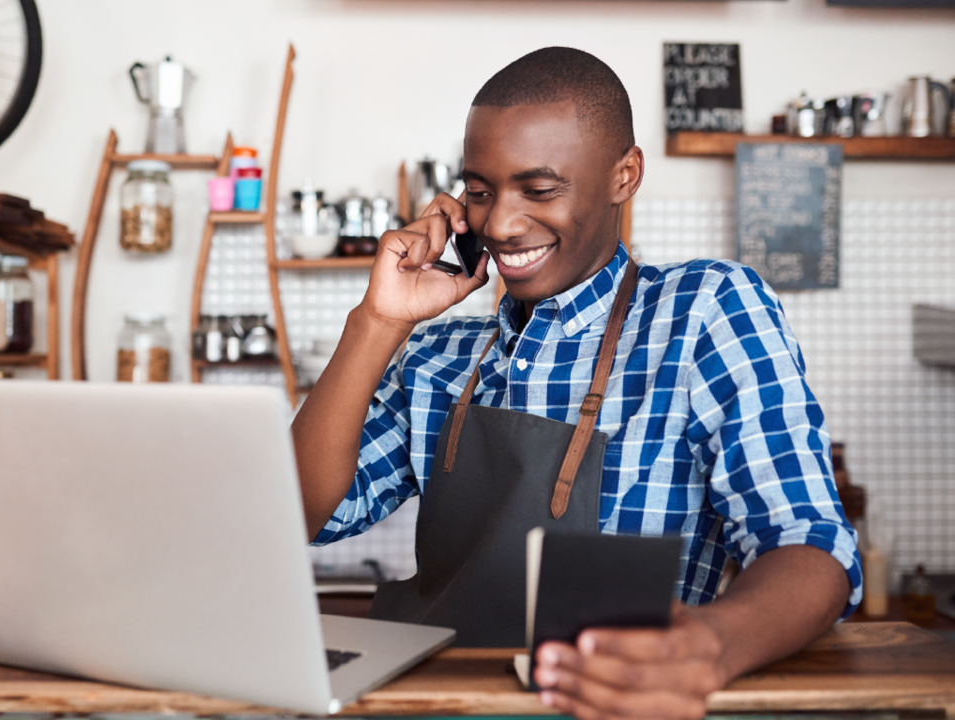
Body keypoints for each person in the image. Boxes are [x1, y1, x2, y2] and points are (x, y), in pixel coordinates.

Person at [292, 47, 861, 720]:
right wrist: (376, 321)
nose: (500, 224)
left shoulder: (704, 312)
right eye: (478, 191)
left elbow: (811, 545)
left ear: (625, 175)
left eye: (538, 190)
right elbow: (306, 512)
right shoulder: (439, 358)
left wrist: (710, 645)